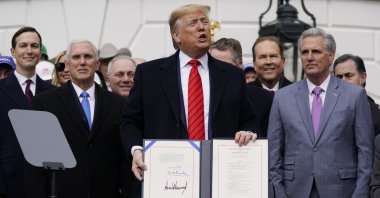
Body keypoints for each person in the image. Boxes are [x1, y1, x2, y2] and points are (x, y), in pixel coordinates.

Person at [120, 3, 259, 186]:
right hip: (167, 178)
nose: (202, 27)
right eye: (193, 23)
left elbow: (249, 119)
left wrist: (247, 132)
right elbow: (130, 121)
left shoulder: (232, 75)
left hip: (218, 176)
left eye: (205, 22)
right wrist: (137, 150)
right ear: (176, 35)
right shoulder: (149, 73)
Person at [268, 28, 374, 198]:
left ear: (331, 56)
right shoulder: (282, 97)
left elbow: (365, 152)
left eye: (316, 51)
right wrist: (279, 193)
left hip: (342, 191)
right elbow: (274, 153)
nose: (309, 57)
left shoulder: (354, 95)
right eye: (304, 52)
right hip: (295, 190)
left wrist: (359, 194)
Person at [29, 39, 129, 197]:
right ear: (67, 65)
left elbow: (123, 157)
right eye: (76, 57)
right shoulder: (45, 102)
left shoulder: (118, 104)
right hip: (63, 191)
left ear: (97, 64)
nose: (82, 62)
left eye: (87, 56)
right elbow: (36, 160)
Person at [0, 26, 54, 198]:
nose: (29, 51)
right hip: (10, 184)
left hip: (46, 184)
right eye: (23, 46)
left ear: (40, 52)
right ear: (13, 52)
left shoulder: (53, 94)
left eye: (34, 46)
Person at [333, 54, 380, 136]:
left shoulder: (375, 114)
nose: (343, 81)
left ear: (363, 77)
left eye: (349, 76)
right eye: (339, 77)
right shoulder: (325, 110)